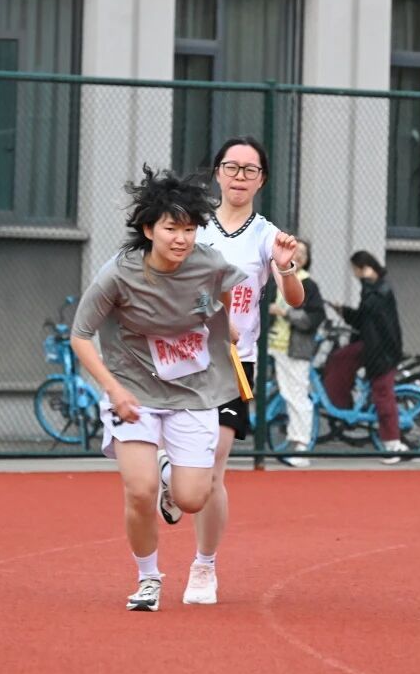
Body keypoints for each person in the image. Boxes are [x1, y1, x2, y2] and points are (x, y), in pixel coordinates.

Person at [71, 166, 246, 612]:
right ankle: (148, 578)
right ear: (149, 230)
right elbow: (80, 335)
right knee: (140, 490)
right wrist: (113, 389)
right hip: (133, 393)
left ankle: (170, 471)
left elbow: (231, 292)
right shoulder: (118, 274)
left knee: (192, 497)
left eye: (189, 229)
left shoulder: (210, 264)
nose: (181, 239)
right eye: (171, 228)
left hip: (193, 393)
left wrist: (230, 325)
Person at [167, 136, 301, 606]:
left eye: (250, 170)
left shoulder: (267, 236)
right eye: (232, 167)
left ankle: (204, 565)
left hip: (232, 362)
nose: (239, 177)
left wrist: (286, 269)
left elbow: (295, 299)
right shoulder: (193, 227)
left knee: (214, 466)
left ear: (262, 180)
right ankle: (171, 478)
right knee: (180, 459)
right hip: (181, 355)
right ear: (217, 173)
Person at [324, 251, 406, 465]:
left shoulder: (378, 290)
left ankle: (393, 444)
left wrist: (366, 283)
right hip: (375, 348)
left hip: (380, 351)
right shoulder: (374, 289)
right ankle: (344, 404)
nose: (355, 274)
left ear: (364, 267)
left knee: (382, 395)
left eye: (356, 269)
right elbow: (364, 320)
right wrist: (344, 311)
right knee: (342, 360)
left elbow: (370, 315)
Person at [267, 240, 326, 467]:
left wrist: (285, 314)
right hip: (270, 345)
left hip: (294, 349)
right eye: (295, 251)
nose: (299, 256)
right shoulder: (274, 279)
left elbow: (314, 318)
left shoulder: (309, 285)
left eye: (303, 253)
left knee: (297, 396)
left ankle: (301, 446)